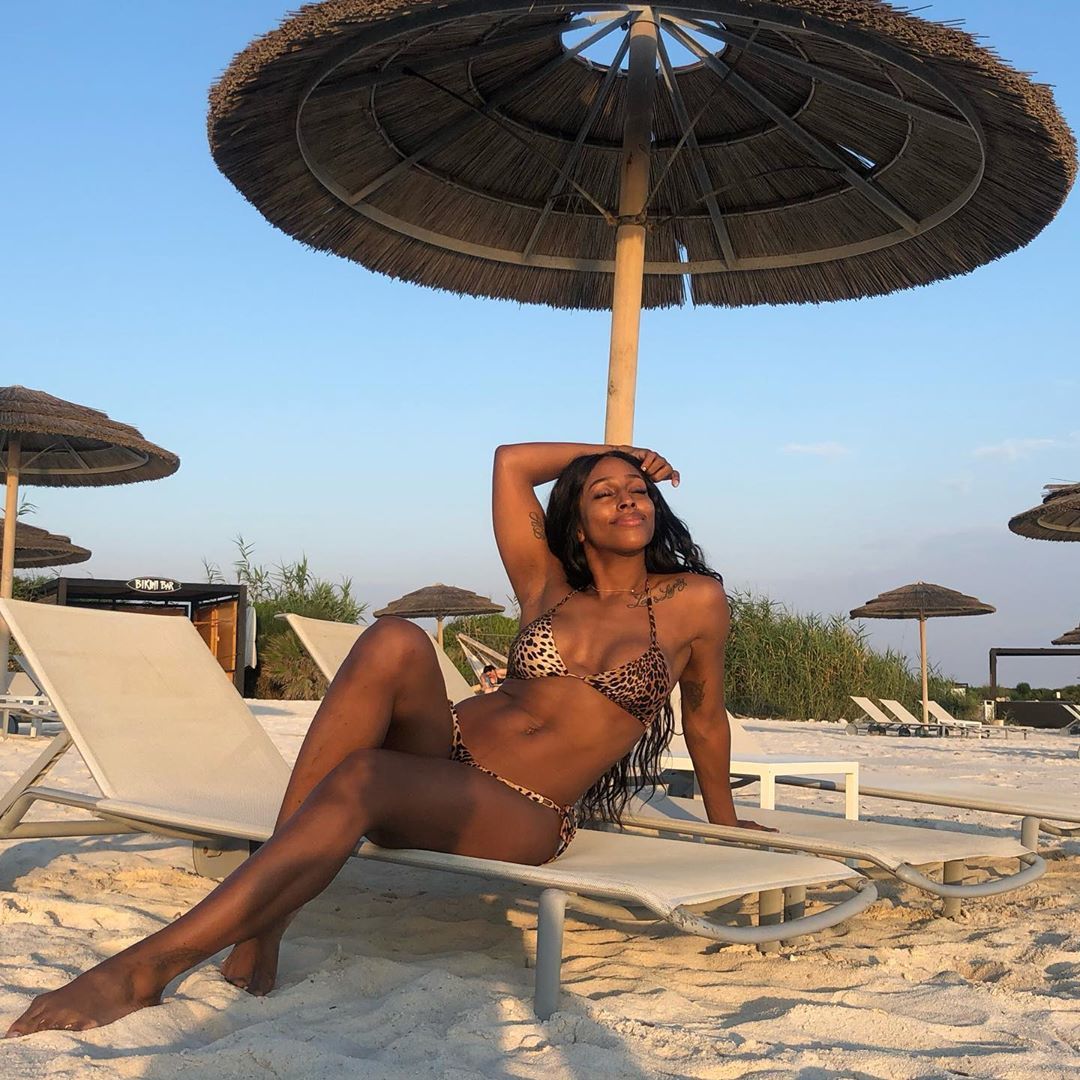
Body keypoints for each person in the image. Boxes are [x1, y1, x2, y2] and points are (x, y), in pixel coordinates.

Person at [6, 442, 767, 1037]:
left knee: (366, 775)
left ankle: (148, 968)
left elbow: (704, 714)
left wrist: (725, 819)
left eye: (638, 489)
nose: (628, 498)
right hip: (447, 753)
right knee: (395, 637)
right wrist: (619, 450)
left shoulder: (694, 600)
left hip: (523, 808)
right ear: (574, 519)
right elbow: (510, 463)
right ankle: (264, 926)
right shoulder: (546, 584)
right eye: (605, 491)